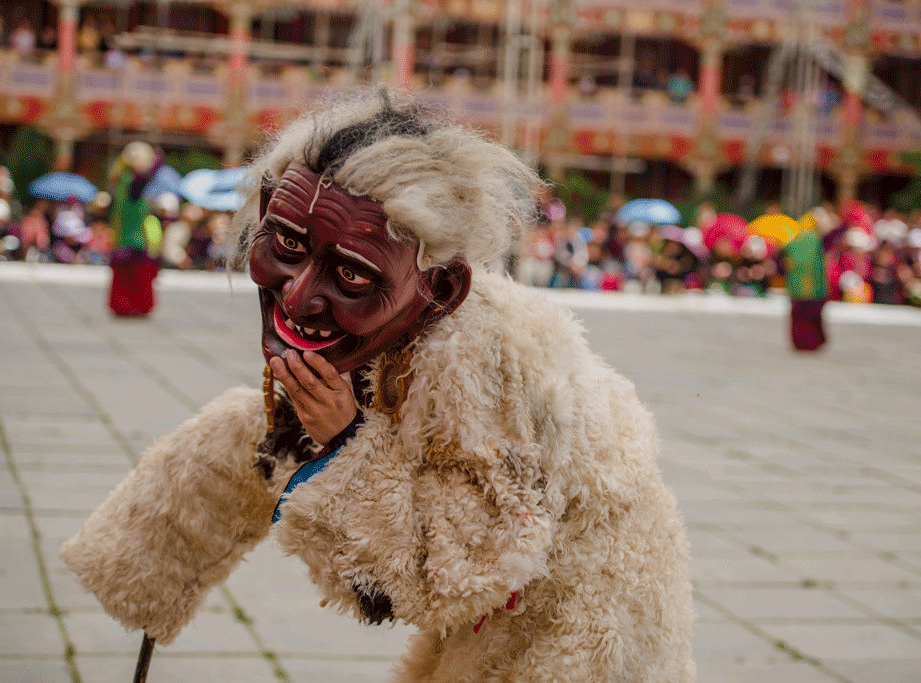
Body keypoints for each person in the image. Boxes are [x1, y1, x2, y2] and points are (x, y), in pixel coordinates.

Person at [61, 89, 696, 683]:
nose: (299, 295)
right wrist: (143, 569)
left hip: (583, 626)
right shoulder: (396, 326)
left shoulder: (492, 372)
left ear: (440, 289)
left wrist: (343, 443)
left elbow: (452, 574)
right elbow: (260, 443)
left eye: (353, 277)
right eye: (285, 242)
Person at [776, 206, 848, 351]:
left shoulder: (791, 242)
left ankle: (800, 344)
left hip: (797, 288)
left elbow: (778, 264)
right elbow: (837, 232)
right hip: (815, 288)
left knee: (799, 319)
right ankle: (813, 343)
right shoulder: (818, 239)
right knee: (813, 318)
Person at [106, 141, 163, 316]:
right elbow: (146, 176)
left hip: (126, 237)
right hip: (131, 238)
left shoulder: (123, 178)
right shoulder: (132, 180)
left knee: (128, 278)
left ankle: (127, 306)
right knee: (135, 277)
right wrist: (158, 159)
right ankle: (132, 306)